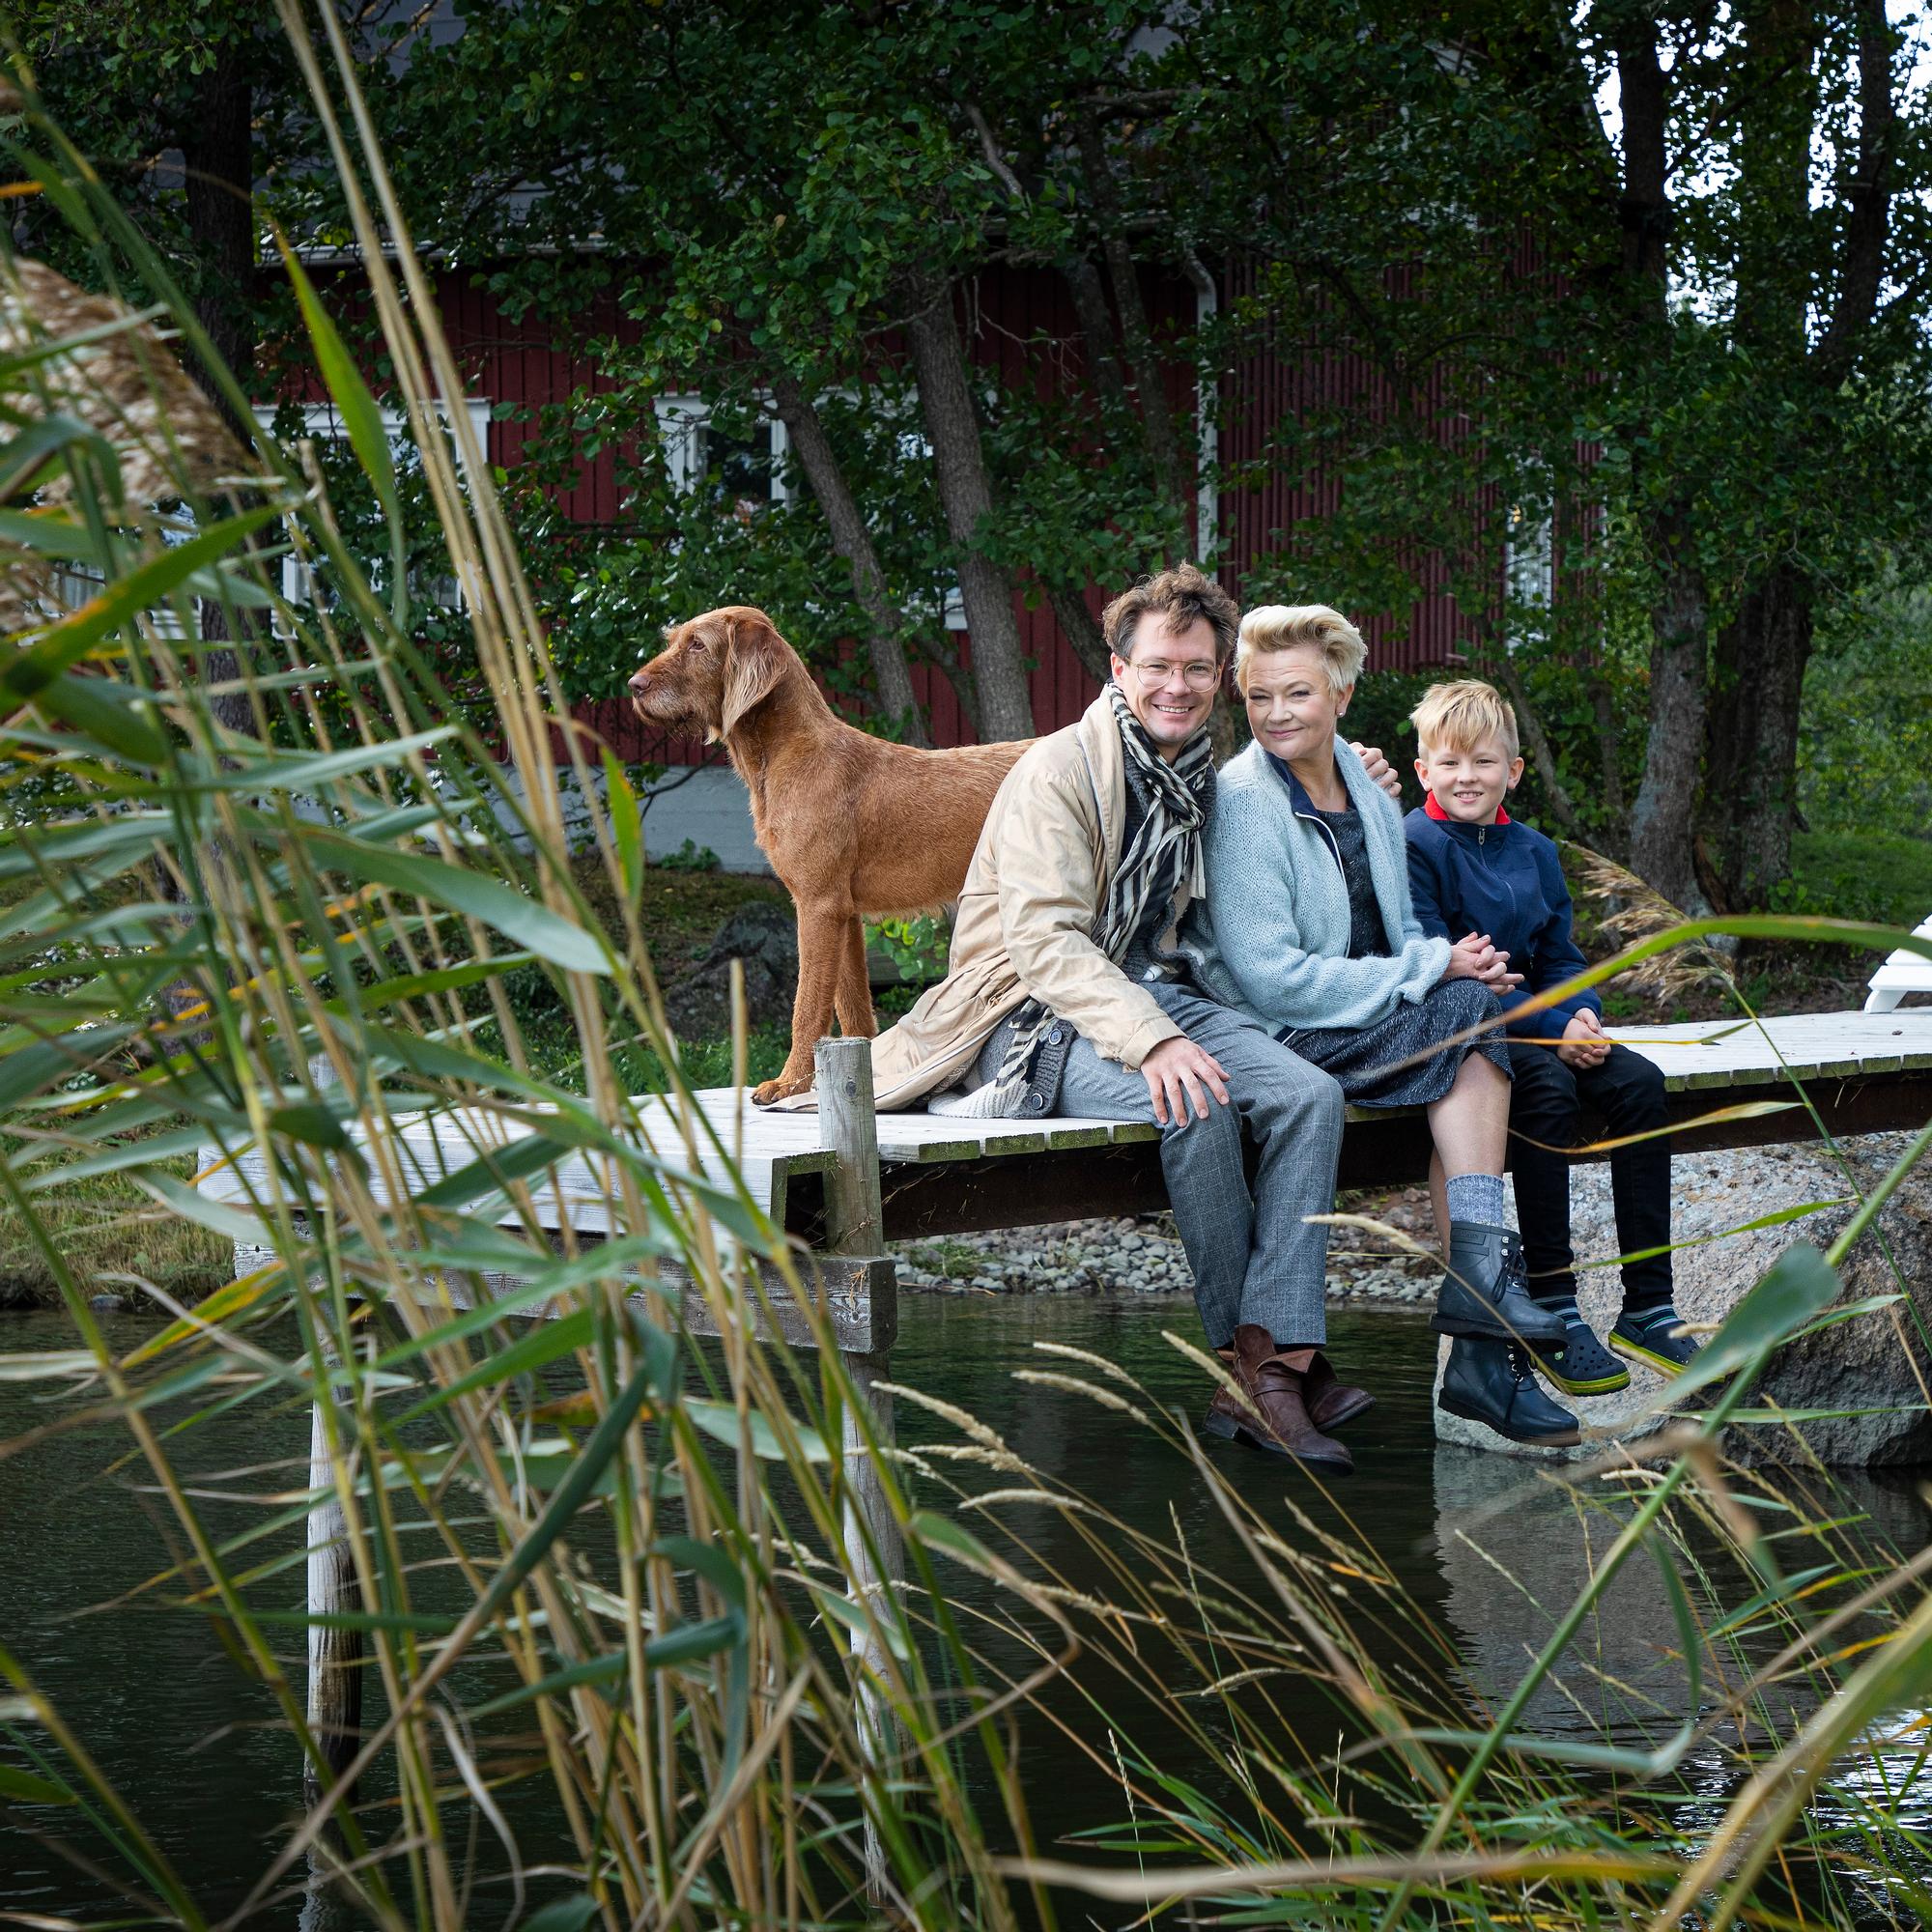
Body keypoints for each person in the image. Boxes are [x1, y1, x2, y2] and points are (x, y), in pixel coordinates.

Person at [859, 565, 1405, 1477]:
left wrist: (1354, 765)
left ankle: (1273, 1369)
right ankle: (1263, 1369)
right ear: (1118, 669)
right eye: (1157, 666)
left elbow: (1293, 787)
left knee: (1308, 1095)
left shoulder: (1197, 771)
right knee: (1196, 1098)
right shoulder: (1062, 771)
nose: (1176, 686)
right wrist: (1154, 1038)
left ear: (1218, 672)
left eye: (1196, 669)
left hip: (1152, 986)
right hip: (1027, 1012)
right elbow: (1041, 942)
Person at [1184, 605, 1579, 1449]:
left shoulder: (1365, 784)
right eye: (1258, 698)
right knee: (1473, 1016)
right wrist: (1431, 969)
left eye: (1298, 692)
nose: (1278, 713)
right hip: (1277, 1033)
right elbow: (1273, 982)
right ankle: (1480, 1308)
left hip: (1359, 1014)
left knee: (1482, 1017)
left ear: (1342, 691)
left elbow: (1397, 928)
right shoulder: (1244, 801)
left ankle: (1478, 1324)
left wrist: (1446, 961)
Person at [1403, 679, 1699, 1387]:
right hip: (1469, 1024)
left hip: (1546, 1016)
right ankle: (1555, 1304)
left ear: (1514, 770)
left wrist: (1584, 1013)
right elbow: (1448, 966)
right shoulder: (1413, 845)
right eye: (1448, 763)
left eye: (1482, 762)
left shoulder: (1533, 850)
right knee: (1547, 1091)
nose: (1465, 777)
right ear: (1423, 771)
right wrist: (1556, 1031)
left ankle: (1650, 1307)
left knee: (1639, 1084)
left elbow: (1560, 953)